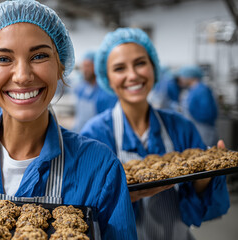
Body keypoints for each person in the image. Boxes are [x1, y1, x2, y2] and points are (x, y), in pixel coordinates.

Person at [0, 1, 136, 239]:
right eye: (2, 59)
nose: (22, 76)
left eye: (39, 56)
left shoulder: (98, 167)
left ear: (60, 67)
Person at [81, 28, 229, 240]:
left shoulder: (180, 127)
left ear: (153, 68)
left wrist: (205, 174)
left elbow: (200, 204)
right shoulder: (94, 135)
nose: (132, 75)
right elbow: (85, 208)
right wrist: (120, 196)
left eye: (140, 63)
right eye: (119, 68)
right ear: (107, 78)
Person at [73, 51, 117, 132]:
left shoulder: (106, 94)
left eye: (88, 66)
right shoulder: (82, 89)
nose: (84, 70)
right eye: (83, 66)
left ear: (97, 67)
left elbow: (108, 125)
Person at [177, 65, 218, 147]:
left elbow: (207, 113)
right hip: (196, 129)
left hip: (203, 130)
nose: (181, 79)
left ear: (190, 76)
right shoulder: (192, 89)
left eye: (182, 76)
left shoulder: (202, 90)